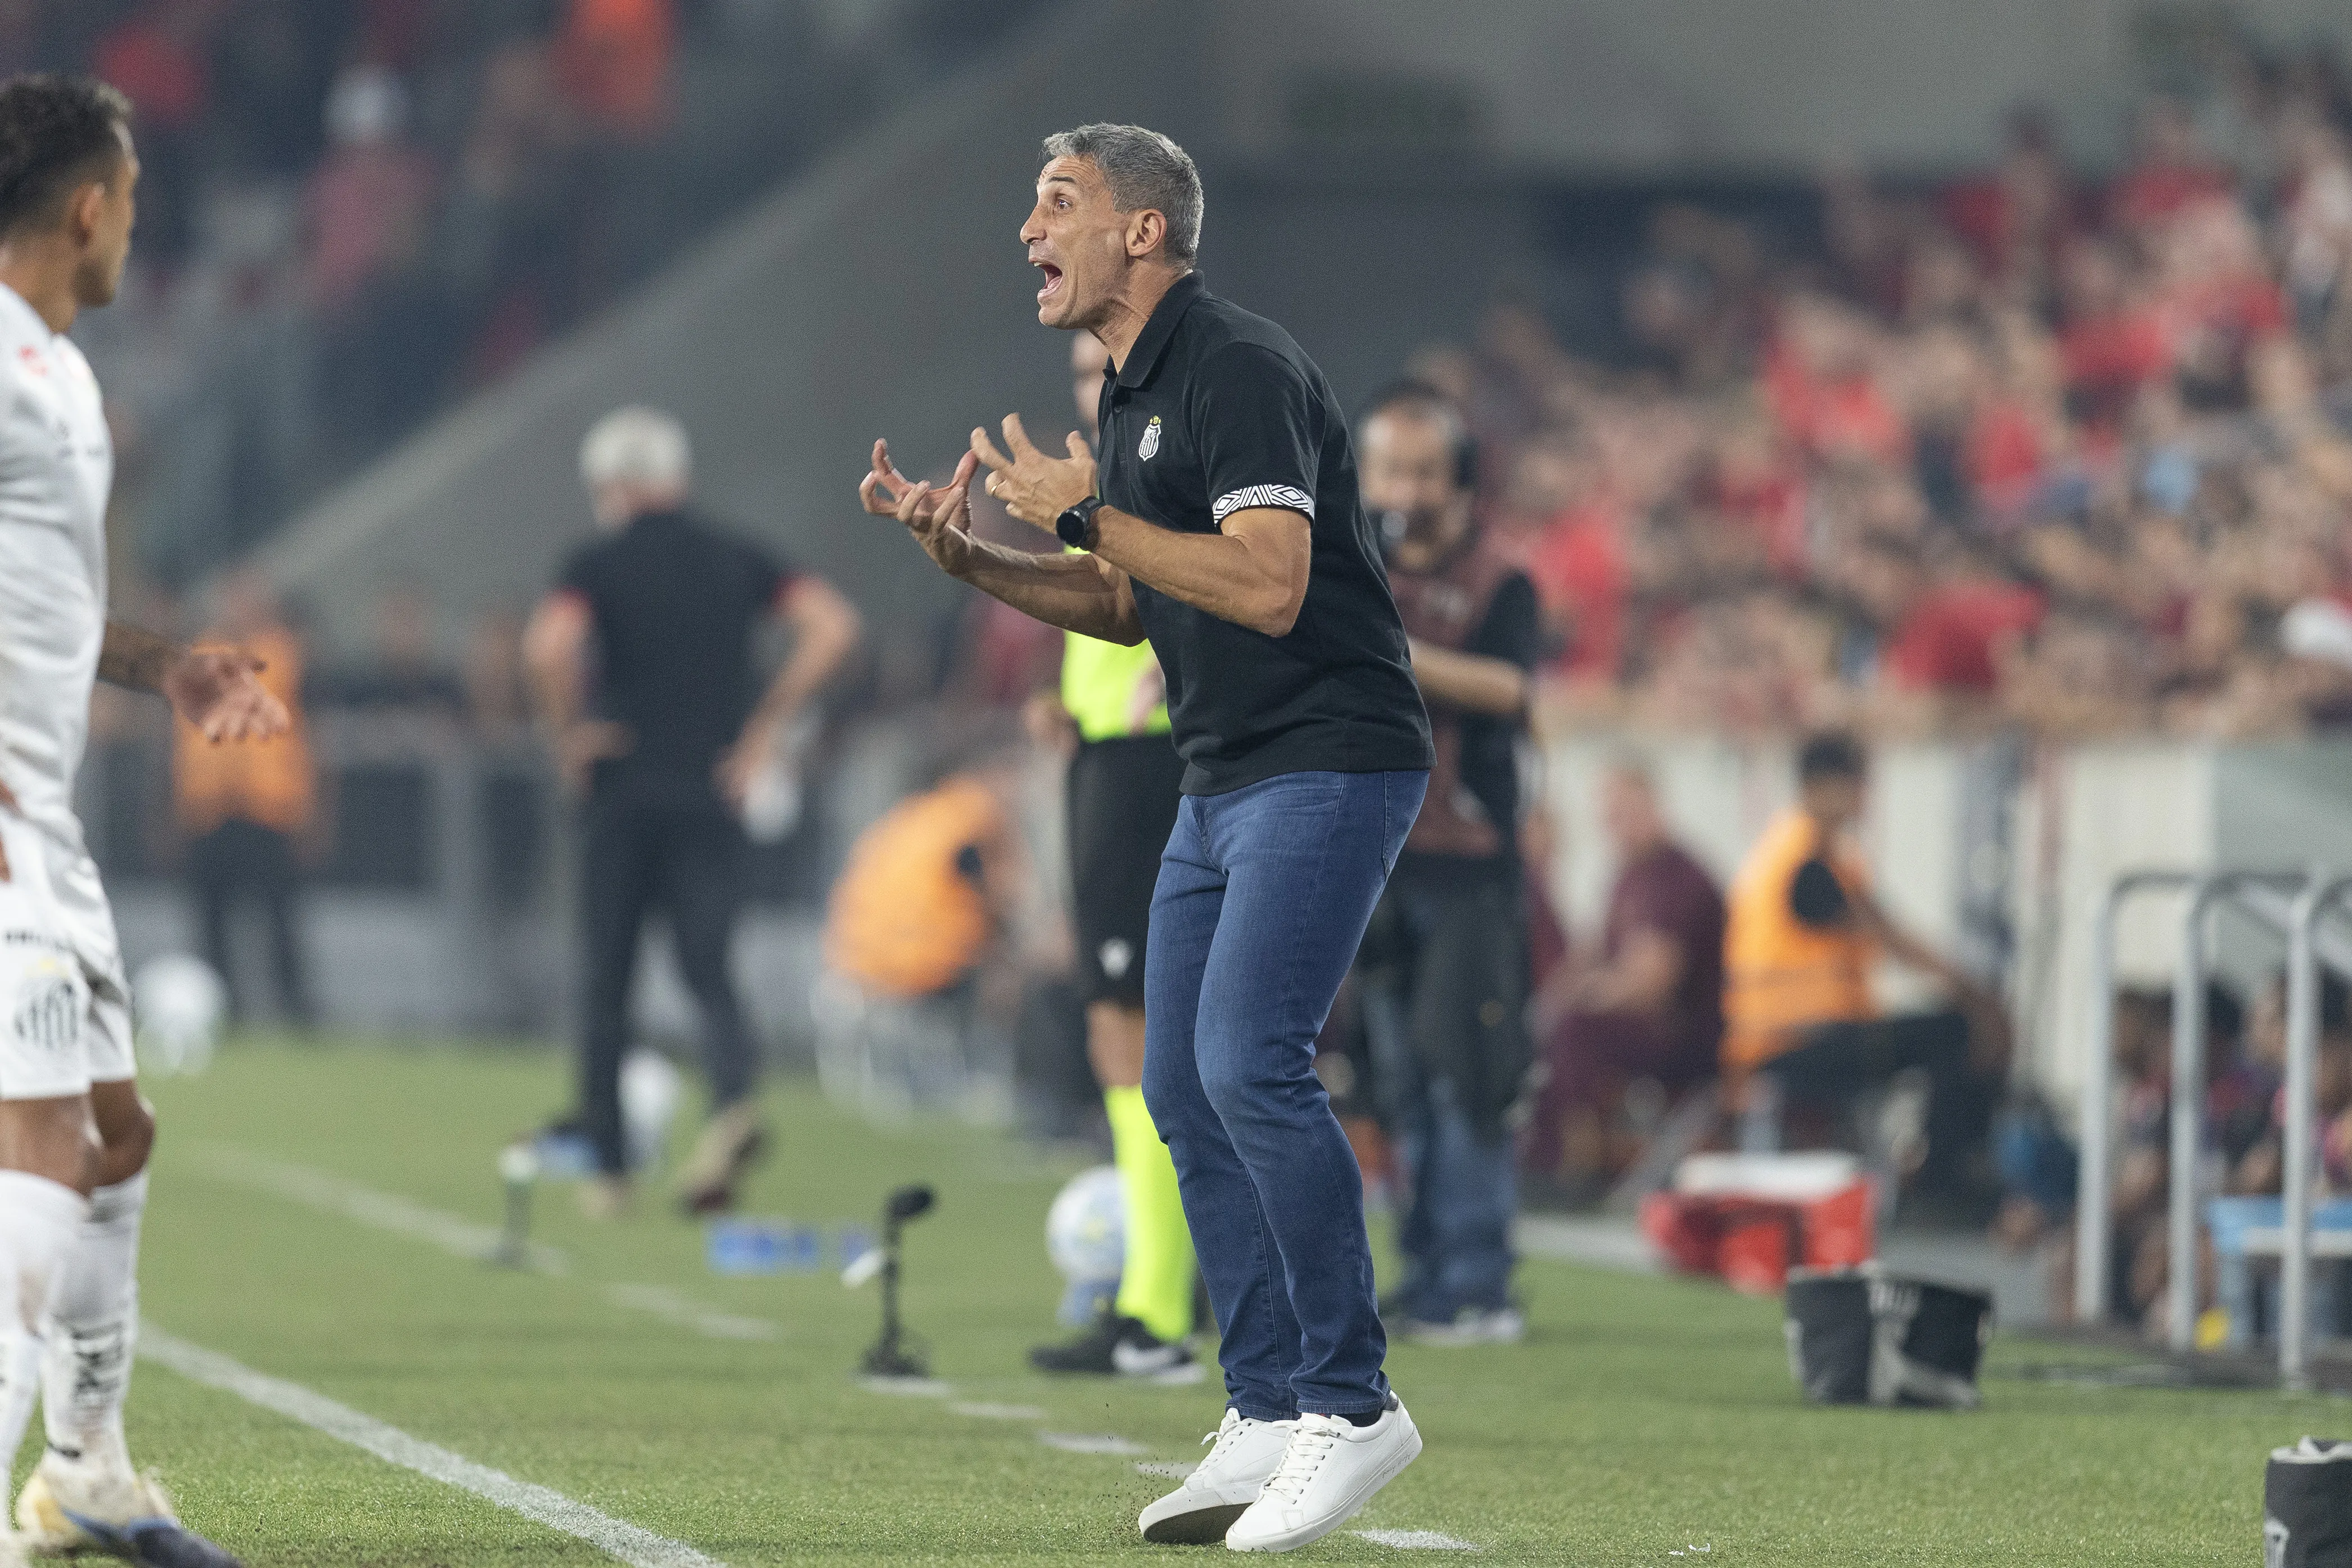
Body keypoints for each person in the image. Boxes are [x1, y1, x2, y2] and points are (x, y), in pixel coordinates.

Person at [858, 123, 1434, 1553]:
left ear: (1144, 231)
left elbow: (1271, 583)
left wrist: (1090, 511)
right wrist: (976, 557)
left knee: (1248, 1058)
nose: (1025, 230)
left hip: (1326, 751)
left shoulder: (1235, 366)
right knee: (1176, 1081)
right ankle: (1258, 1408)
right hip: (1217, 768)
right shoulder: (1127, 387)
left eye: (1056, 202)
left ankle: (1351, 1408)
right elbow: (1130, 608)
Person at [0, 73, 281, 1568]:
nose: (136, 233)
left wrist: (168, 664)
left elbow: (51, 599)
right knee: (41, 1150)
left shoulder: (56, 375)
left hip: (44, 827)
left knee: (114, 1133)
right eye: (135, 205)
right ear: (93, 205)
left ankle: (85, 1471)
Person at [524, 406, 860, 1219]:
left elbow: (548, 646)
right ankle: (733, 1102)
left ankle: (609, 1170)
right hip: (712, 784)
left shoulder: (597, 563)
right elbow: (832, 626)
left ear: (614, 485)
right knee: (709, 966)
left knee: (608, 980)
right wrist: (764, 730)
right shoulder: (735, 557)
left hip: (623, 785)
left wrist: (570, 734)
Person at [1345, 381, 1538, 1345]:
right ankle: (1425, 1272)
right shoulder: (1352, 559)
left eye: (1425, 470)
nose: (1406, 489)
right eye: (1389, 467)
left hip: (1466, 857)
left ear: (1460, 480)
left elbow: (1513, 687)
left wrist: (1389, 651)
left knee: (1468, 1069)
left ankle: (1478, 1279)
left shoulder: (1501, 577)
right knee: (1398, 1074)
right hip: (1372, 847)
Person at [1026, 330, 1201, 1382]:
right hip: (1105, 758)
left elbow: (1207, 587)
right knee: (1119, 1037)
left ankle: (1158, 1307)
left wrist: (1185, 675)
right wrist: (1066, 704)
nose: (1093, 393)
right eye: (1085, 379)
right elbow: (1103, 612)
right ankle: (1167, 1291)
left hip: (1148, 769)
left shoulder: (1161, 468)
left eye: (1107, 378)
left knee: (1139, 1038)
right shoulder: (1106, 473)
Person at [1722, 730, 2007, 1210]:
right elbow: (1893, 938)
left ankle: (1938, 1174)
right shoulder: (1805, 861)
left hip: (1780, 1037)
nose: (1862, 795)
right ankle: (1944, 1183)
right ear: (1818, 786)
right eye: (1853, 782)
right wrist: (1977, 998)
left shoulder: (1792, 851)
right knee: (1956, 1032)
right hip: (1799, 1042)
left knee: (1943, 1027)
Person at [1524, 760, 1725, 1197]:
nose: (1614, 825)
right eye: (1609, 815)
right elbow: (1594, 955)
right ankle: (1538, 1161)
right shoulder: (1626, 877)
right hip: (1646, 1029)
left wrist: (1586, 997)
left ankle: (1579, 1168)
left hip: (1685, 1037)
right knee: (1549, 1024)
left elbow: (1653, 981)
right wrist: (1555, 999)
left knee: (1576, 1029)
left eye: (1623, 811)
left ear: (1653, 804)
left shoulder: (1680, 877)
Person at [173, 570, 318, 1030]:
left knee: (280, 921)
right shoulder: (198, 656)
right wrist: (170, 806)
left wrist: (313, 809)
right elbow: (177, 739)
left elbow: (312, 735)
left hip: (269, 810)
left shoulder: (285, 654)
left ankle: (296, 1013)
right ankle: (223, 1013)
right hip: (210, 811)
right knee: (211, 922)